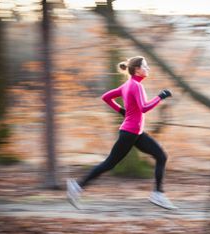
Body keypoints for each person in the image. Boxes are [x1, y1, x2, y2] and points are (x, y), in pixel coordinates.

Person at [67, 56, 177, 210]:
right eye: (145, 66)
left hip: (135, 132)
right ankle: (77, 186)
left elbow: (106, 97)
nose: (148, 68)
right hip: (130, 132)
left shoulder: (128, 85)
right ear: (137, 69)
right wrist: (160, 96)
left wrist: (121, 111)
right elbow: (144, 108)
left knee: (161, 156)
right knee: (109, 163)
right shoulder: (136, 86)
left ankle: (158, 194)